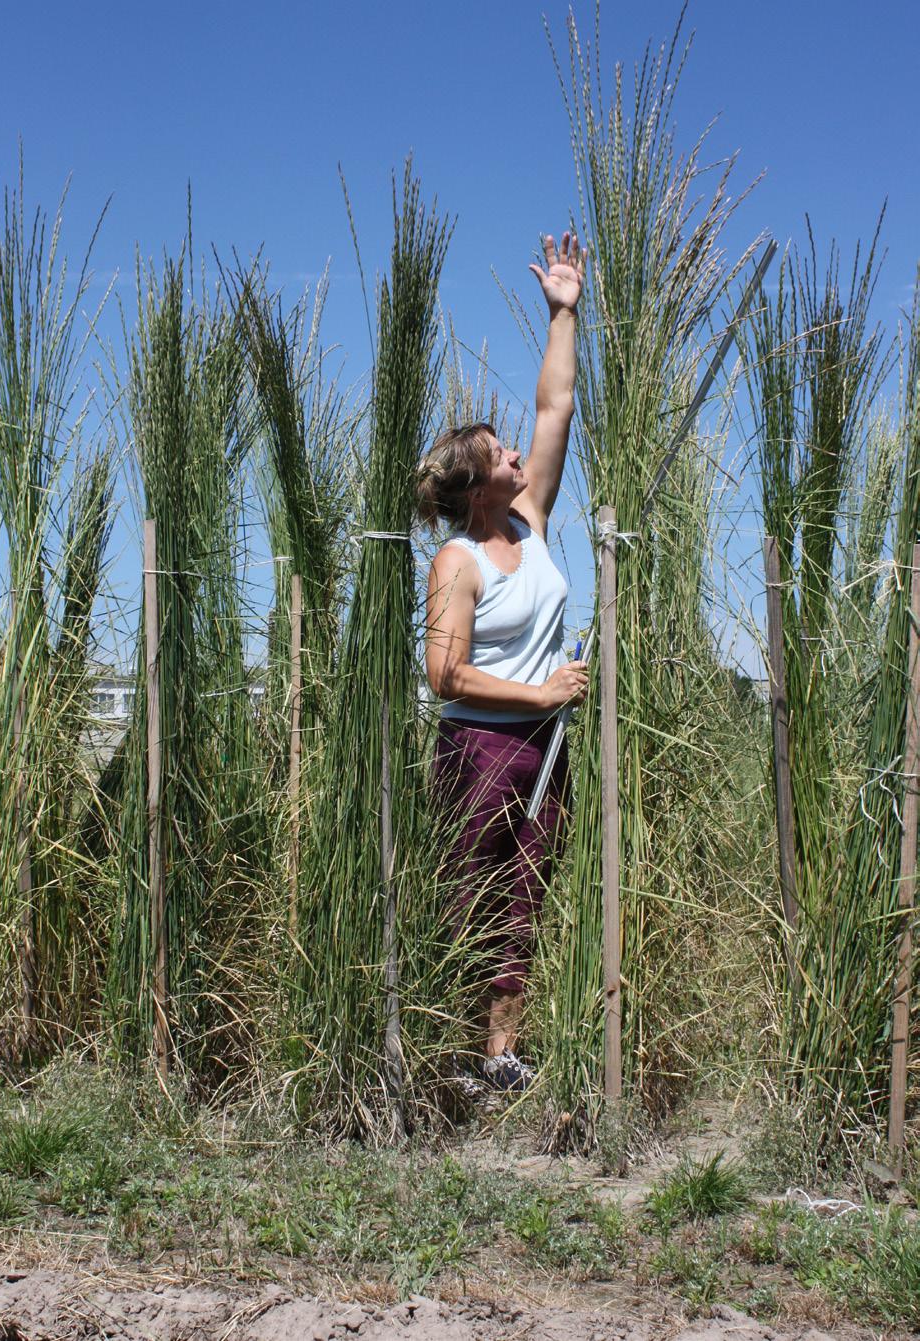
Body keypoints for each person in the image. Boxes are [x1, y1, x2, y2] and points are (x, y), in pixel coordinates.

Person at [416, 231, 589, 1093]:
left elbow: (553, 408)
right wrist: (542, 691)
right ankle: (449, 1050)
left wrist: (561, 313)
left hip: (541, 744)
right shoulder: (461, 561)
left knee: (525, 894)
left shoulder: (533, 524)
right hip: (480, 746)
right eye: (502, 453)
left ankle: (500, 1056)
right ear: (479, 484)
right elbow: (442, 675)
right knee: (468, 891)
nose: (518, 454)